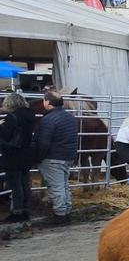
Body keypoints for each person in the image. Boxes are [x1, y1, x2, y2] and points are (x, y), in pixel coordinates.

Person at [34, 91, 78, 224]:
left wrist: (38, 157)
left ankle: (60, 215)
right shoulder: (70, 117)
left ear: (47, 102)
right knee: (64, 185)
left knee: (57, 187)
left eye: (44, 100)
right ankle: (66, 211)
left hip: (53, 157)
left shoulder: (47, 120)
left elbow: (44, 142)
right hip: (67, 156)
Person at [0, 92, 37, 223]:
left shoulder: (12, 117)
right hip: (26, 154)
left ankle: (17, 212)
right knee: (25, 183)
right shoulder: (30, 116)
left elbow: (6, 135)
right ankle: (26, 210)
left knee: (16, 185)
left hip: (13, 156)